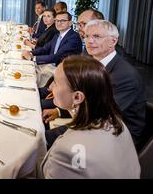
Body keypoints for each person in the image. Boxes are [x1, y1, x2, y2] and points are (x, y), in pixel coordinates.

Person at [43, 20, 146, 149]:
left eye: (96, 36)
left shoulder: (124, 76)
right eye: (86, 36)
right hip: (97, 122)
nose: (89, 41)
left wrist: (46, 138)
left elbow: (98, 119)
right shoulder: (93, 62)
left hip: (119, 138)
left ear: (113, 41)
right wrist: (59, 111)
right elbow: (86, 99)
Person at [39, 55, 140, 179]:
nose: (50, 87)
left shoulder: (67, 151)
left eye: (56, 82)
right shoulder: (115, 121)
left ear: (77, 97)